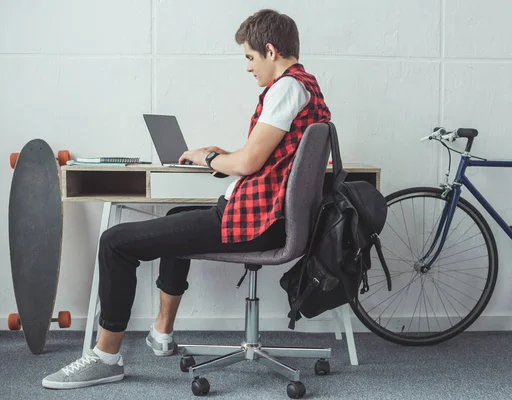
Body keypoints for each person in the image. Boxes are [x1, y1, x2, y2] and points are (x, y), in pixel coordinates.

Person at [41, 9, 331, 389]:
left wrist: (212, 159)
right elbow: (272, 158)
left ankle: (105, 357)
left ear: (271, 51)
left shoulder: (285, 88)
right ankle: (161, 333)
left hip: (254, 223)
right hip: (270, 220)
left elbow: (250, 161)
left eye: (249, 57)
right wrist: (220, 153)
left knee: (115, 243)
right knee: (177, 216)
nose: (248, 67)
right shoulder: (306, 85)